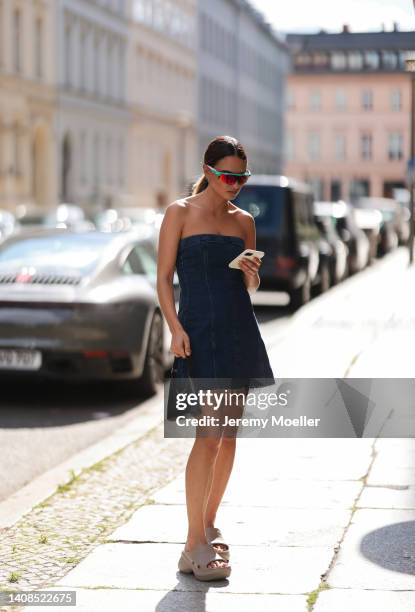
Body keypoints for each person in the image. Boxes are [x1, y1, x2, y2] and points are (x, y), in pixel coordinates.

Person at [156, 135, 275, 581]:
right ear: (207, 171)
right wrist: (175, 329)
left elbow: (248, 288)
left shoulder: (244, 221)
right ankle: (191, 545)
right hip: (199, 332)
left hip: (239, 330)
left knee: (228, 437)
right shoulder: (179, 213)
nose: (236, 184)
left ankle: (207, 526)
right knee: (207, 437)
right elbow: (164, 279)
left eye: (242, 177)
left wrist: (252, 275)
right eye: (228, 176)